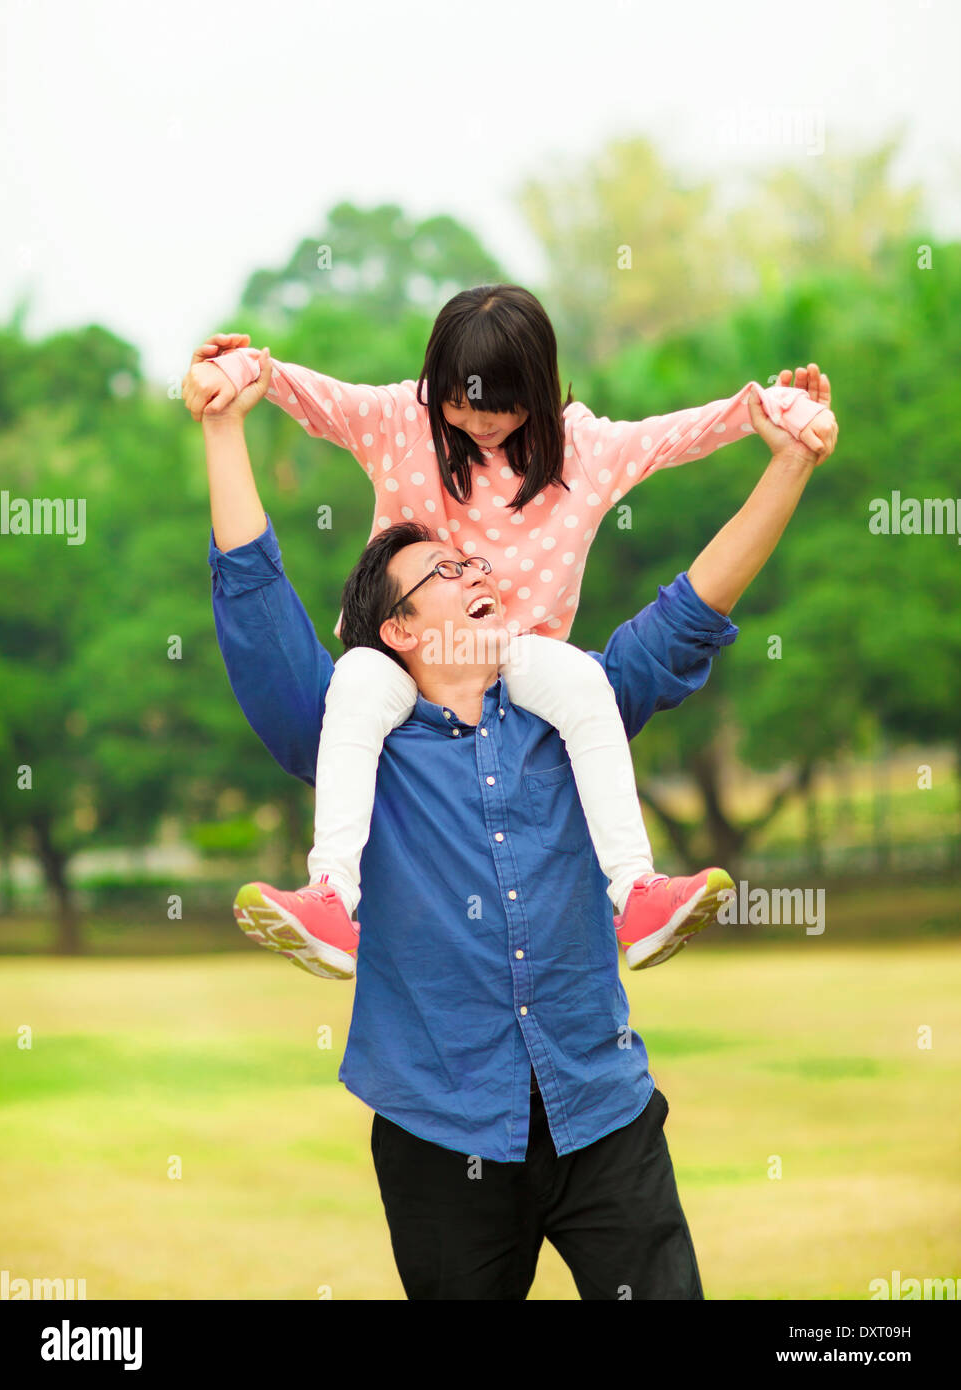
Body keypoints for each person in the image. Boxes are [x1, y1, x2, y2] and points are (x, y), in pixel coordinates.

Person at [203, 341, 837, 1299]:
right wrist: (222, 426)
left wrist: (790, 462)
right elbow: (255, 603)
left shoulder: (578, 710)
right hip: (437, 1131)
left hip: (603, 1114)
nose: (476, 569)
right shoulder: (354, 737)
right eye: (442, 573)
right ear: (400, 632)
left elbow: (697, 607)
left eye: (471, 559)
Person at [183, 284, 836, 976]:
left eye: (500, 407)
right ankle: (331, 897)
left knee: (585, 680)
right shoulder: (406, 422)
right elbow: (312, 394)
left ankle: (638, 891)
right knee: (353, 682)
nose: (476, 423)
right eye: (459, 404)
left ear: (540, 390)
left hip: (516, 661)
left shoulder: (585, 451)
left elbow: (679, 433)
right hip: (401, 655)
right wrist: (243, 371)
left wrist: (772, 412)